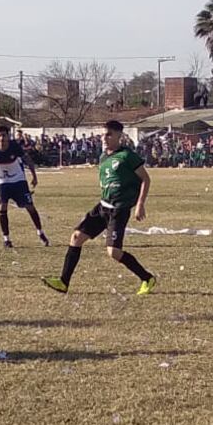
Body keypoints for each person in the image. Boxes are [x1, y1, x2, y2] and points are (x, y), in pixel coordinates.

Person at [42, 120, 157, 295]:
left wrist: (140, 204)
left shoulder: (127, 156)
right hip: (103, 207)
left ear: (119, 136)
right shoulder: (103, 157)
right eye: (103, 134)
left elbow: (146, 179)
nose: (104, 137)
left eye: (109, 134)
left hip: (119, 210)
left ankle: (147, 278)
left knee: (113, 252)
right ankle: (63, 282)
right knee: (76, 237)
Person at [0, 125, 49, 248]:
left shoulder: (15, 147)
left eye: (4, 135)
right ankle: (6, 239)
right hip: (2, 183)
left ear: (8, 137)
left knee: (29, 206)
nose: (2, 138)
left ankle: (40, 232)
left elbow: (28, 160)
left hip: (18, 181)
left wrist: (34, 176)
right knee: (2, 207)